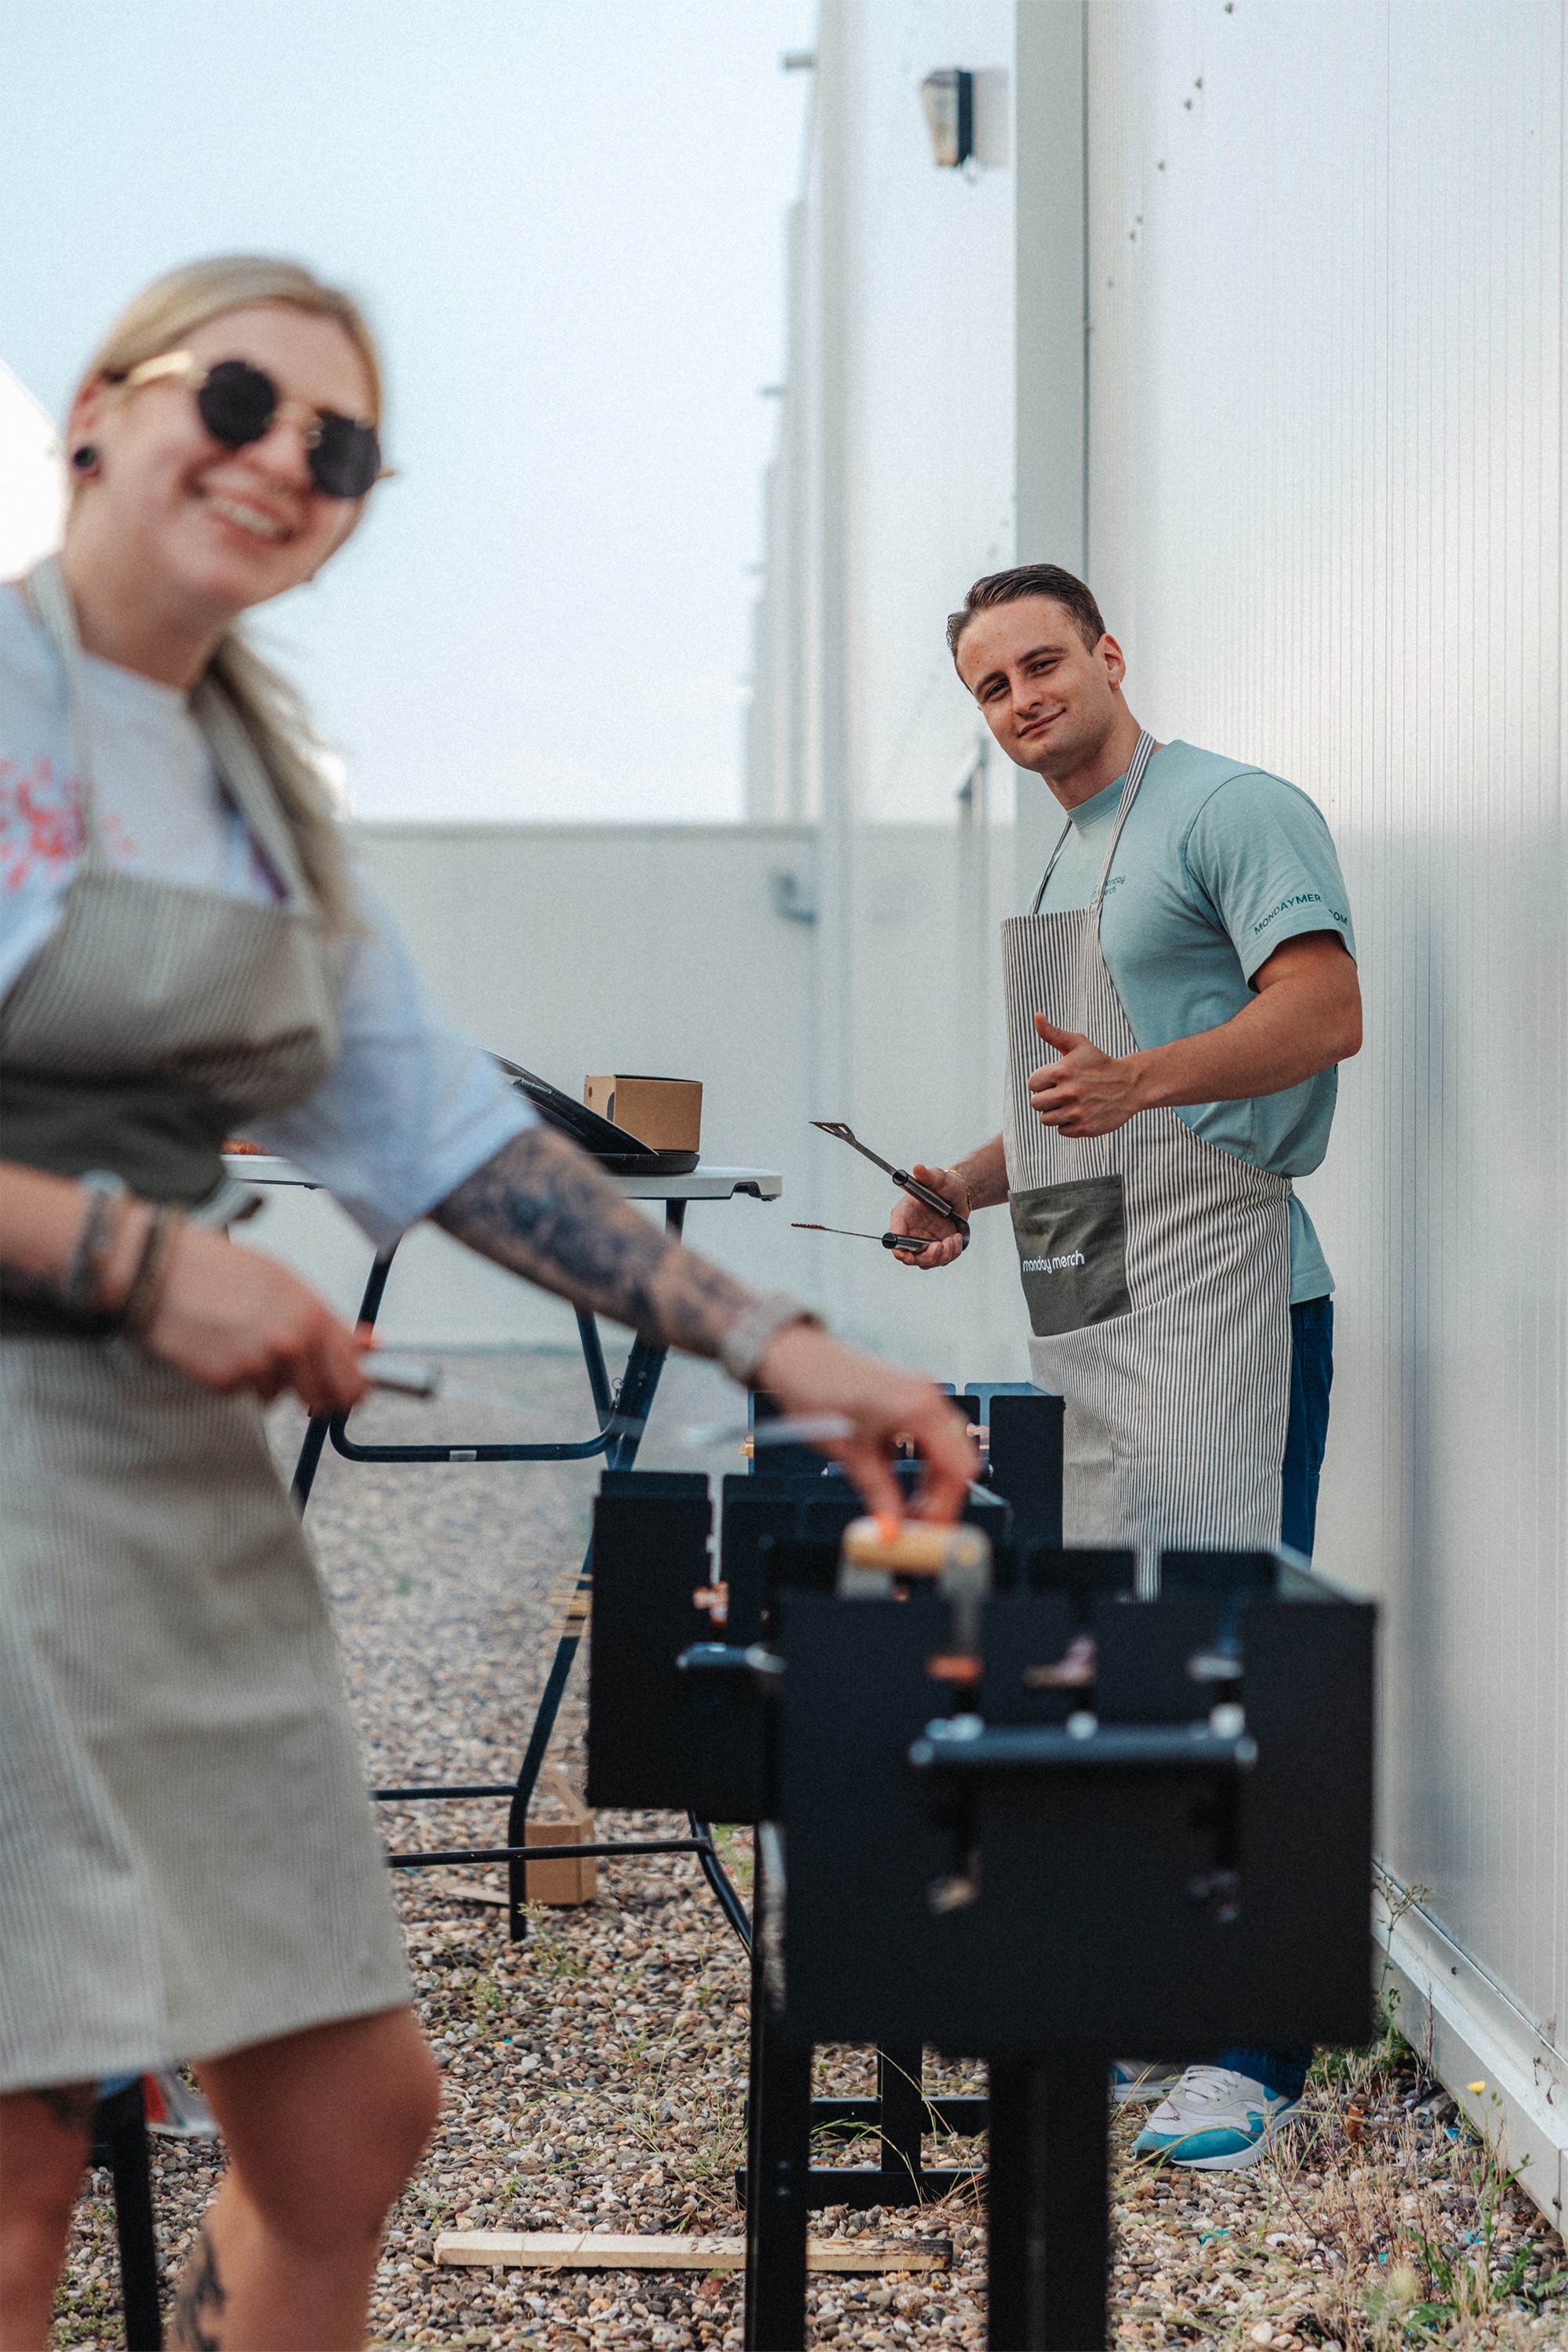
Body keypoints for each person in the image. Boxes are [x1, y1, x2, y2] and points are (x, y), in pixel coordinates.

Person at [0, 255, 976, 2352]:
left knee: (348, 2115)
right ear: (101, 405)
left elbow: (450, 1133)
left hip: (170, 1509)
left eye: (337, 450)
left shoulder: (256, 789)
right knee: (13, 2170)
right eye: (241, 402)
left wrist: (785, 1347)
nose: (283, 464)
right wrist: (131, 1252)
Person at [889, 561, 1361, 2170]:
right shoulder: (1077, 846)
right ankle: (1169, 2001)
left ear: (1104, 654)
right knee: (1128, 1666)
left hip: (1231, 1285)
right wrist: (959, 1184)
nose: (1023, 702)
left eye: (1041, 666)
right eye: (990, 688)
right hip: (1106, 1293)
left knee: (1236, 1660)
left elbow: (1321, 1015)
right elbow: (1078, 1106)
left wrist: (1143, 1080)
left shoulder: (1233, 810)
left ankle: (1256, 2047)